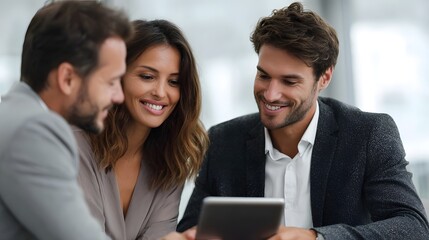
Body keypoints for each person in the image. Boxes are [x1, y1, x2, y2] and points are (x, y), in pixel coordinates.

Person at [177, 2, 429, 240]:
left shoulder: (367, 134)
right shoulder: (223, 141)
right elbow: (189, 232)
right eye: (263, 75)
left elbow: (413, 227)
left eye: (289, 81)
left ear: (324, 78)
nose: (270, 94)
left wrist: (315, 237)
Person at [0, 1, 133, 239]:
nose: (119, 96)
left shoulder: (15, 116)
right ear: (68, 78)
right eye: (111, 82)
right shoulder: (33, 132)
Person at [74, 19, 209, 240]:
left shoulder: (171, 159)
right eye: (147, 77)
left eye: (174, 82)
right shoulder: (75, 143)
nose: (161, 92)